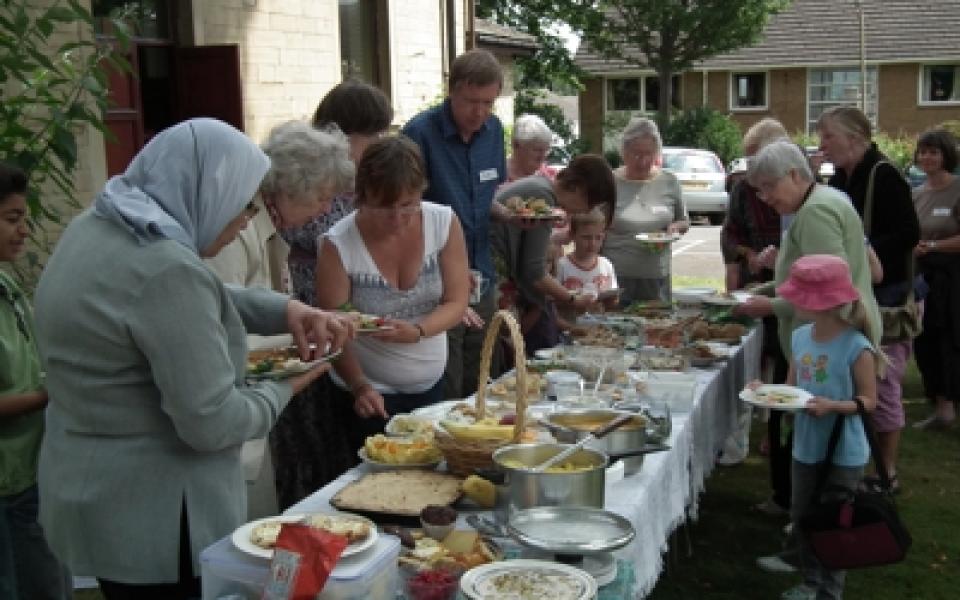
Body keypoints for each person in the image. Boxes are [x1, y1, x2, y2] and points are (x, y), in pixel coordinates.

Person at [32, 118, 353, 599]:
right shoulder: (164, 268)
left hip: (94, 492)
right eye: (242, 205)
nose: (244, 220)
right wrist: (287, 384)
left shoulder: (99, 225)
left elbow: (198, 295)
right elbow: (212, 423)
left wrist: (286, 309)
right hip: (155, 517)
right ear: (206, 188)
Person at [204, 120, 355, 515]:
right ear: (292, 187)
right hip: (231, 410)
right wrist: (296, 353)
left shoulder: (266, 221)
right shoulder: (238, 229)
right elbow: (220, 317)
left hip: (249, 404)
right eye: (322, 197)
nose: (325, 209)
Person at [269, 82, 394, 509]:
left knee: (331, 421)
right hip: (300, 304)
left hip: (333, 311)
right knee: (302, 426)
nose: (376, 146)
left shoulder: (352, 182)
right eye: (371, 136)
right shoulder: (305, 183)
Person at [316, 136, 469, 443]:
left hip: (430, 385)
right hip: (368, 391)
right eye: (384, 208)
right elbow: (333, 325)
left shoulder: (443, 222)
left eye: (408, 205)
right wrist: (360, 386)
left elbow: (457, 301)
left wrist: (418, 331)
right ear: (361, 198)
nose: (398, 219)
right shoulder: (338, 243)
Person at [817, 106, 920, 492]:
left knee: (884, 381)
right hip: (863, 293)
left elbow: (909, 232)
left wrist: (864, 256)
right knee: (861, 377)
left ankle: (886, 471)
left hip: (888, 297)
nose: (822, 145)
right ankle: (864, 463)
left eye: (829, 136)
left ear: (855, 137)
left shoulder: (884, 174)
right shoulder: (846, 178)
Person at [765, 254, 878, 600]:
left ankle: (831, 589)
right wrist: (766, 394)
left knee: (833, 521)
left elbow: (869, 401)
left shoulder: (856, 346)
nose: (791, 302)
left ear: (820, 304)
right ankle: (811, 580)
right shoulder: (800, 337)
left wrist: (833, 407)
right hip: (805, 445)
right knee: (803, 514)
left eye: (797, 296)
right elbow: (790, 388)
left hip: (843, 450)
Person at [401, 49, 511, 399]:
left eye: (488, 103)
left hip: (482, 275)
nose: (479, 113)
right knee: (446, 384)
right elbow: (403, 213)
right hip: (437, 282)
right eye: (471, 102)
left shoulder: (493, 132)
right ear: (452, 90)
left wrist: (509, 216)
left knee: (484, 383)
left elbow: (483, 197)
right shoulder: (418, 135)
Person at [0, 164, 71, 599]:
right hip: (6, 482)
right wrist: (48, 396)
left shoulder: (7, 281)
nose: (24, 231)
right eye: (11, 219)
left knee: (48, 581)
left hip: (30, 471)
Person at [718, 118, 791, 481]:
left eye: (755, 159)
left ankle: (778, 419)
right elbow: (729, 233)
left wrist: (781, 256)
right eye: (747, 160)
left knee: (785, 352)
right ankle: (760, 415)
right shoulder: (741, 189)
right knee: (753, 351)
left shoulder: (797, 190)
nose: (749, 170)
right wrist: (744, 257)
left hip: (789, 282)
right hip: (755, 280)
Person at [492, 155, 617, 354]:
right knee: (499, 355)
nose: (585, 211)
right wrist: (572, 300)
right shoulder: (544, 198)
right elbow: (534, 271)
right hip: (492, 281)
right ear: (577, 187)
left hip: (494, 277)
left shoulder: (540, 186)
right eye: (590, 204)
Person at [603, 117, 689, 305]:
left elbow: (684, 221)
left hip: (656, 276)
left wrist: (675, 228)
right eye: (636, 154)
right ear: (623, 152)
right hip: (616, 276)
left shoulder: (669, 181)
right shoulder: (609, 182)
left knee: (658, 330)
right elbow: (594, 226)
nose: (643, 161)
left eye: (649, 154)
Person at [911, 129, 960, 429]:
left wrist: (934, 246)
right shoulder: (915, 193)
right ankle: (941, 405)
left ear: (947, 156)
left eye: (934, 152)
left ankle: (950, 405)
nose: (927, 157)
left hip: (952, 277)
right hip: (923, 276)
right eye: (923, 151)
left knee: (950, 339)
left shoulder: (957, 190)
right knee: (925, 340)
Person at [555, 208, 620, 331]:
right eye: (586, 237)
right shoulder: (562, 266)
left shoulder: (606, 264)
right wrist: (574, 302)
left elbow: (612, 303)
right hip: (569, 330)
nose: (592, 243)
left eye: (598, 238)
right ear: (572, 236)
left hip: (600, 332)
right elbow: (552, 305)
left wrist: (612, 301)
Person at [507, 113, 557, 183]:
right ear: (516, 145)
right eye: (537, 150)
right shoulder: (497, 178)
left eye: (546, 150)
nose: (543, 156)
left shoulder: (551, 178)